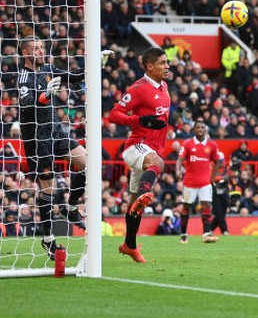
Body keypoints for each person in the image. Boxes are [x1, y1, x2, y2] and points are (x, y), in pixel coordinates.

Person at [18, 36, 112, 259]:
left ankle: (71, 208)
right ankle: (48, 239)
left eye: (42, 47)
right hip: (38, 140)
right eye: (36, 48)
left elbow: (74, 77)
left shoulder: (49, 68)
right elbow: (25, 104)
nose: (41, 51)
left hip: (57, 132)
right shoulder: (23, 76)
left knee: (89, 164)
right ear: (25, 53)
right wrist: (44, 95)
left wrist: (94, 65)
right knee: (48, 191)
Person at [108, 47, 170, 263]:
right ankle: (146, 194)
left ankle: (129, 245)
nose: (167, 66)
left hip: (153, 148)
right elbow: (114, 115)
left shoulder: (164, 87)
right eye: (162, 63)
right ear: (150, 66)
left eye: (167, 62)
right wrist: (139, 121)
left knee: (134, 202)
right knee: (157, 163)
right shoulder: (138, 88)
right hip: (137, 146)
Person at [175, 120, 221, 244]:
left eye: (202, 127)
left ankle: (206, 234)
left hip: (205, 182)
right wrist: (178, 170)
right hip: (189, 182)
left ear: (205, 129)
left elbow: (218, 161)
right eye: (197, 127)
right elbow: (180, 159)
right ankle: (184, 234)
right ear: (194, 130)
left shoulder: (211, 145)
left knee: (207, 206)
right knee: (186, 207)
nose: (200, 129)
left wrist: (212, 177)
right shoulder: (188, 143)